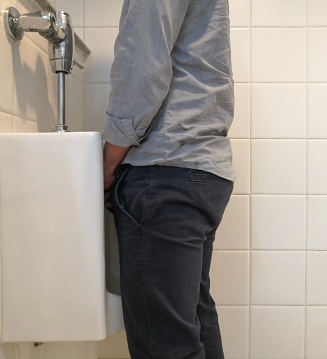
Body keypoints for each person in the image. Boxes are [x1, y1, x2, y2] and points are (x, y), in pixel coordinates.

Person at [103, 0, 235, 357]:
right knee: (191, 323)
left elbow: (142, 65)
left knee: (166, 343)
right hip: (198, 168)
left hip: (165, 168)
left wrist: (109, 160)